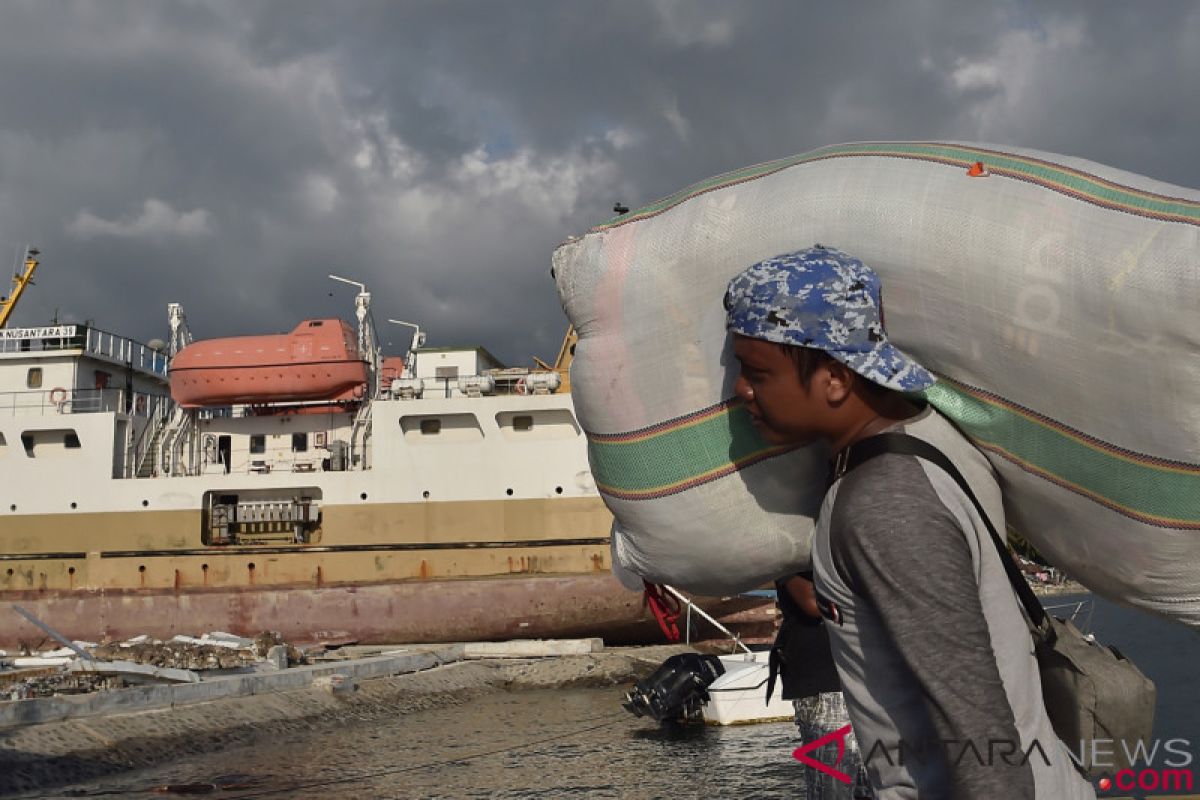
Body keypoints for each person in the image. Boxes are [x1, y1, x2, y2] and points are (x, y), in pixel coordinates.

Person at [724, 246, 1094, 799]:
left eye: (757, 373)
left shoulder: (883, 503)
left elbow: (976, 729)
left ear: (834, 378)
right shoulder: (931, 434)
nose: (741, 391)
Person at [772, 572, 874, 800]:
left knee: (866, 782)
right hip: (822, 684)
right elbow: (813, 604)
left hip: (857, 680)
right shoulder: (793, 560)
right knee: (833, 783)